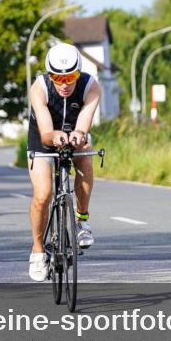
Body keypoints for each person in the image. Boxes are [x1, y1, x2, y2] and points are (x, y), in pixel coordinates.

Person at [26, 43, 101, 282]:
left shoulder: (91, 86)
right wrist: (54, 137)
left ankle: (82, 221)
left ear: (79, 73)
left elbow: (84, 122)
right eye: (58, 78)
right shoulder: (39, 88)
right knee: (43, 195)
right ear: (50, 75)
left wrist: (79, 135)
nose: (65, 83)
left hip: (74, 130)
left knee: (85, 156)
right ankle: (38, 251)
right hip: (43, 135)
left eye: (70, 77)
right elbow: (46, 133)